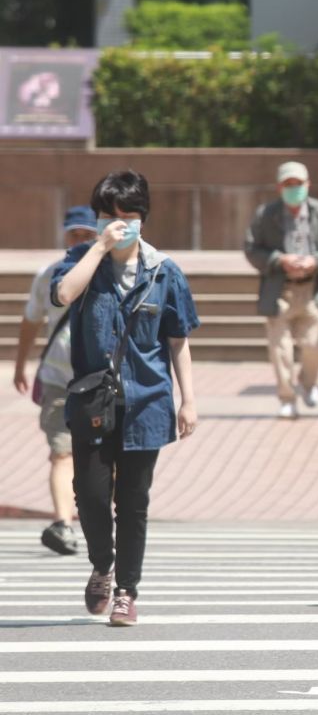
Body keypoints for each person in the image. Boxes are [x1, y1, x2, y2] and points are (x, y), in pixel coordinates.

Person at [50, 170, 200, 627]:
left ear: (142, 219)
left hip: (147, 402)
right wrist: (98, 248)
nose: (118, 224)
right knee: (90, 494)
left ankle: (126, 592)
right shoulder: (81, 260)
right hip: (92, 401)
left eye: (128, 216)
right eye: (108, 216)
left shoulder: (164, 271)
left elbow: (177, 339)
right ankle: (103, 565)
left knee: (134, 502)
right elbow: (63, 294)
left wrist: (188, 399)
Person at [13, 206, 97, 555]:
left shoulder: (110, 274)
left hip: (102, 382)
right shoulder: (48, 274)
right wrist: (21, 365)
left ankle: (102, 522)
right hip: (59, 379)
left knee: (106, 457)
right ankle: (63, 523)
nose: (79, 240)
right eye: (74, 234)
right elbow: (31, 321)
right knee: (62, 453)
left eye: (86, 234)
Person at [244, 161, 318, 419]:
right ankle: (287, 397)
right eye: (288, 184)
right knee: (281, 349)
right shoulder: (266, 214)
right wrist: (279, 260)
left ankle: (308, 384)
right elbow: (251, 248)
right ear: (279, 187)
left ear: (308, 184)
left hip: (311, 290)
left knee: (313, 346)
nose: (294, 188)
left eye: (298, 184)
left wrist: (315, 261)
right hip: (280, 291)